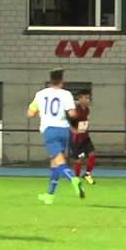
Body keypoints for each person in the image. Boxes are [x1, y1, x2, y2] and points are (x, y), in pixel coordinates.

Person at [29, 68, 82, 205]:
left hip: (50, 130)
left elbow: (31, 113)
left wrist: (38, 110)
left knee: (59, 162)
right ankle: (50, 195)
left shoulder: (40, 94)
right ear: (62, 81)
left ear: (50, 80)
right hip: (64, 130)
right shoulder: (66, 94)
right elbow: (72, 114)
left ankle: (73, 179)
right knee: (55, 162)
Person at [69, 89, 98, 184]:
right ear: (80, 98)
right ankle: (76, 178)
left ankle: (87, 174)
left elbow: (85, 121)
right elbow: (68, 121)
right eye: (86, 98)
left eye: (89, 98)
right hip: (76, 138)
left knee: (92, 154)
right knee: (78, 160)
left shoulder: (87, 110)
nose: (88, 100)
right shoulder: (75, 109)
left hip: (85, 136)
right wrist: (74, 130)